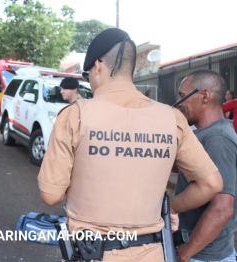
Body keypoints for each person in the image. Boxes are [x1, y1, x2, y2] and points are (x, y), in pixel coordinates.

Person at [37, 28, 223, 261]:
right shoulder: (171, 118)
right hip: (153, 254)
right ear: (131, 69)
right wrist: (170, 208)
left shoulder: (74, 116)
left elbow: (50, 194)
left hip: (91, 254)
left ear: (97, 66)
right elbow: (211, 183)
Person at [175, 70, 237, 262]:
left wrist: (186, 253)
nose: (178, 103)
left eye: (182, 96)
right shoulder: (206, 135)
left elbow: (222, 208)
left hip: (205, 257)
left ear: (204, 96)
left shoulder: (217, 139)